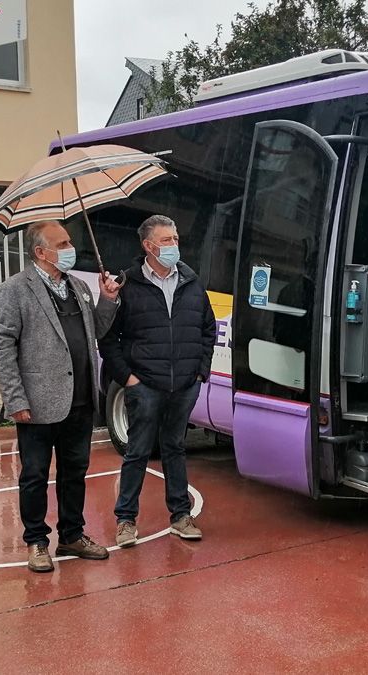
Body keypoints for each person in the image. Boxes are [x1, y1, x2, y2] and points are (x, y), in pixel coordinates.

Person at [0, 220, 121, 573]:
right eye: (62, 244)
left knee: (74, 472)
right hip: (36, 403)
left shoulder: (78, 286)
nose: (69, 248)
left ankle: (72, 534)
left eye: (69, 242)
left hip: (79, 400)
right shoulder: (15, 290)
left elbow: (97, 330)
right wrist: (15, 399)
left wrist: (108, 300)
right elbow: (2, 347)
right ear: (40, 252)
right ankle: (36, 541)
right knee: (34, 475)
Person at [100, 214, 217, 547]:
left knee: (175, 449)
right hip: (145, 385)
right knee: (137, 452)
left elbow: (208, 329)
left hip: (184, 385)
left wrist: (200, 372)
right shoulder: (129, 284)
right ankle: (125, 521)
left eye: (176, 239)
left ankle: (181, 516)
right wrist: (128, 379)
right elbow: (108, 338)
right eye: (167, 241)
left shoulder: (191, 282)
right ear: (148, 246)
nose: (174, 246)